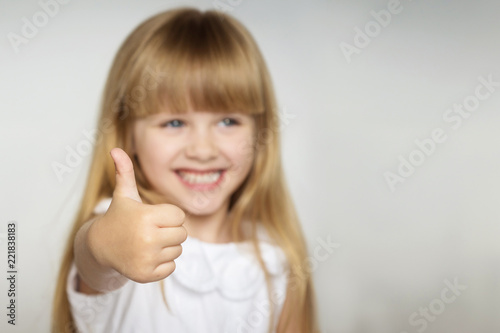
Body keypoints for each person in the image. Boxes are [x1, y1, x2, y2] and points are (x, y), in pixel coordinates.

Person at [52, 7, 318, 333]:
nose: (203, 150)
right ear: (127, 134)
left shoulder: (275, 257)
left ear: (260, 132)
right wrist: (103, 244)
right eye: (174, 122)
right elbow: (94, 259)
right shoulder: (122, 229)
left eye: (228, 121)